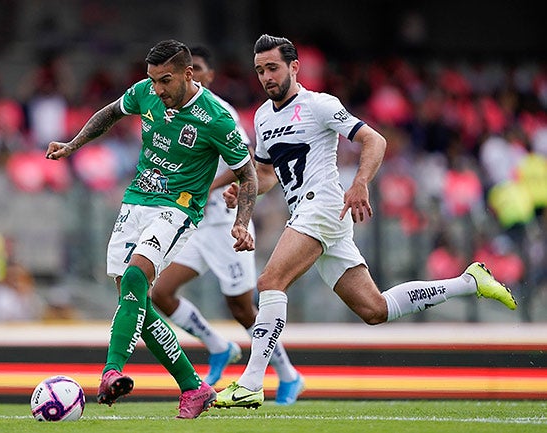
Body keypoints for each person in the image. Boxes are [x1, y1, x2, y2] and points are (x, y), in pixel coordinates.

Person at [214, 34, 517, 409]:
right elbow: (266, 173)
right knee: (375, 310)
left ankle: (251, 382)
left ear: (294, 67)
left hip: (322, 207)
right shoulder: (262, 116)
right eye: (260, 70)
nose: (265, 77)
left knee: (270, 281)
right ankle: (470, 281)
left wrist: (359, 183)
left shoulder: (319, 105)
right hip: (312, 215)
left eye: (273, 68)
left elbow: (375, 140)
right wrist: (244, 191)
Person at [45, 39, 257, 419]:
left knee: (136, 278)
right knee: (135, 301)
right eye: (153, 81)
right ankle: (194, 387)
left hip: (178, 209)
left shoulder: (216, 119)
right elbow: (110, 113)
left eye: (165, 81)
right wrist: (73, 145)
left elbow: (248, 174)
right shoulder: (146, 93)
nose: (157, 90)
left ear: (188, 75)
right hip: (135, 202)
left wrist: (241, 223)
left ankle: (111, 371)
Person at [151, 46, 303, 405]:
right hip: (194, 224)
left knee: (241, 308)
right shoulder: (173, 113)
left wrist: (207, 187)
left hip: (222, 224)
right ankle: (219, 347)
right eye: (190, 69)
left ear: (206, 75)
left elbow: (247, 164)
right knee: (159, 292)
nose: (196, 75)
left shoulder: (221, 113)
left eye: (200, 69)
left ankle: (289, 375)